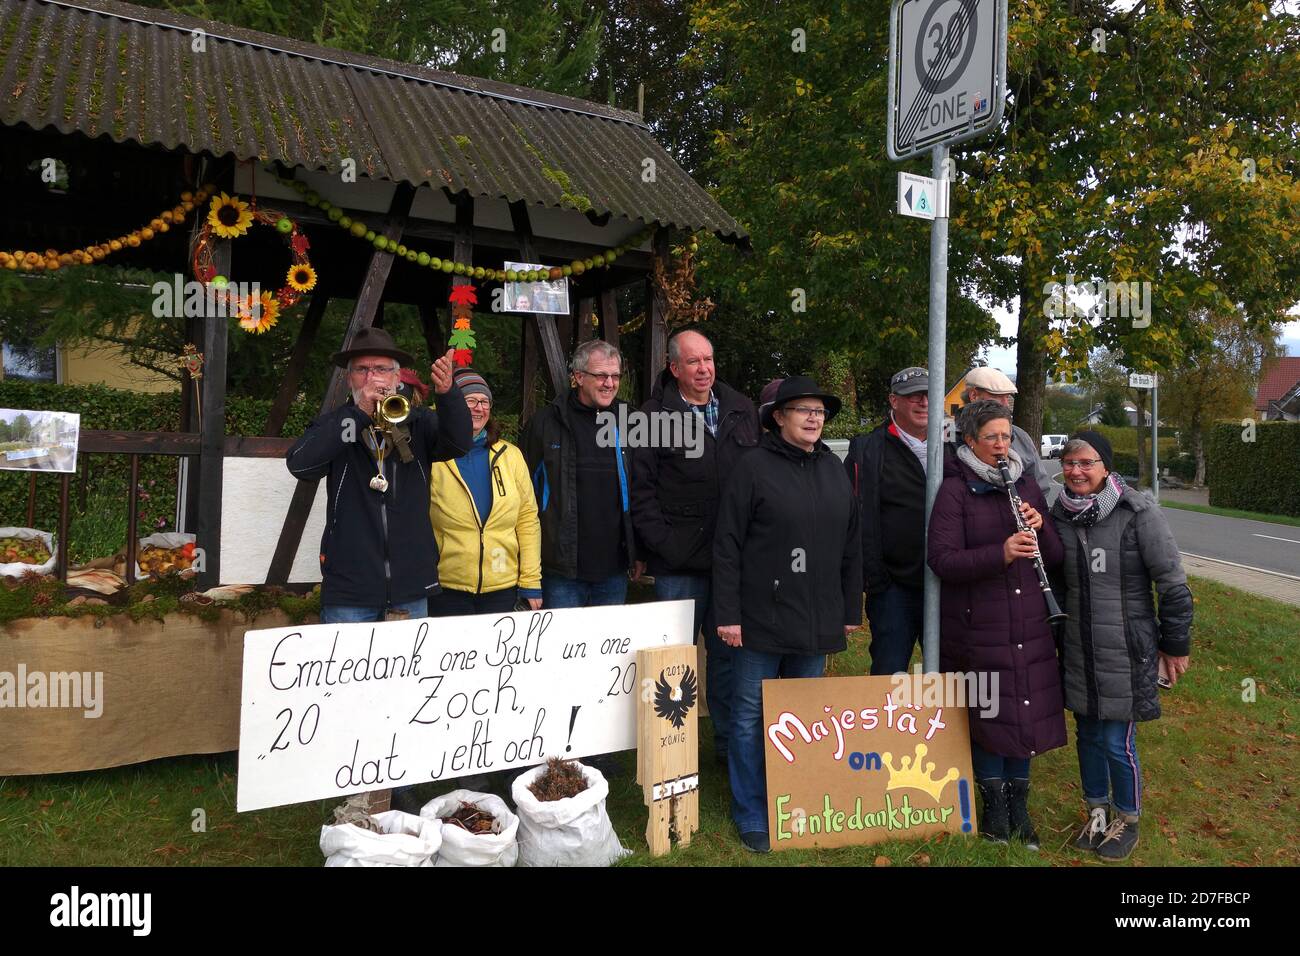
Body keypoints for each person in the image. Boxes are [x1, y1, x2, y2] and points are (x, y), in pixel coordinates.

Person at [713, 375, 863, 853]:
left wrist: (849, 604)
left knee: (801, 717)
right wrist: (728, 614)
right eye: (803, 409)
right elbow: (728, 544)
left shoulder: (834, 469)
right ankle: (753, 810)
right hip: (760, 616)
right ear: (778, 417)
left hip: (817, 617)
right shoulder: (752, 467)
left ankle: (795, 801)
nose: (814, 417)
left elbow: (851, 543)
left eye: (819, 411)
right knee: (749, 716)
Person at [927, 399, 1065, 849]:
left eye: (1007, 436)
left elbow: (1057, 557)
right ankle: (994, 809)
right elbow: (942, 560)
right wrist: (1000, 554)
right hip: (979, 623)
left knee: (1023, 708)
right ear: (970, 441)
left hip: (1028, 619)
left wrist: (1042, 527)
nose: (1002, 445)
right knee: (990, 711)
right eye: (993, 437)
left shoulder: (1025, 482)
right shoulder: (954, 490)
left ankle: (1020, 807)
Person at [1050, 431, 1192, 861]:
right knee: (1088, 736)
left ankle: (1126, 819)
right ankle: (1096, 812)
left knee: (1116, 741)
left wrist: (1175, 645)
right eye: (1069, 463)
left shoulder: (1138, 513)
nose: (1076, 471)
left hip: (1127, 648)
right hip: (1078, 646)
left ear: (1105, 466)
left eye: (1086, 463)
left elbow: (1172, 583)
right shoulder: (1059, 514)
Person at [630, 330, 760, 768]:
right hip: (679, 564)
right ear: (674, 368)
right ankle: (672, 753)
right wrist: (665, 545)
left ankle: (727, 750)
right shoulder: (651, 416)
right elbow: (640, 493)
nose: (704, 369)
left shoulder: (743, 410)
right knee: (674, 664)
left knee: (727, 658)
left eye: (708, 359)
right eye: (693, 362)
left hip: (734, 561)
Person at [286, 327, 472, 623]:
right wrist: (359, 412)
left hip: (411, 587)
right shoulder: (338, 424)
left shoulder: (420, 423)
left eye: (382, 369)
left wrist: (448, 393)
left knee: (409, 670)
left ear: (397, 379)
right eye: (362, 370)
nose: (372, 378)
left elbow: (460, 443)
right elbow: (301, 465)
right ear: (349, 379)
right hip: (350, 591)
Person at [521, 340, 638, 608]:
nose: (610, 383)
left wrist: (636, 552)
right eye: (601, 376)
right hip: (561, 572)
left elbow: (641, 490)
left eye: (615, 375)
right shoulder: (545, 423)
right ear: (578, 377)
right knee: (559, 649)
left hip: (614, 572)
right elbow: (524, 497)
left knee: (609, 650)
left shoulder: (630, 421)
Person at [427, 367, 543, 616]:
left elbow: (527, 521)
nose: (478, 408)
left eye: (484, 401)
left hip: (503, 589)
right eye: (469, 400)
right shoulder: (432, 457)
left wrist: (531, 582)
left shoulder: (510, 455)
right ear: (454, 404)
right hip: (446, 588)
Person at [845, 366, 933, 674]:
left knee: (950, 674)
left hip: (947, 582)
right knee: (889, 672)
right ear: (894, 401)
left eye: (928, 395)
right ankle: (888, 725)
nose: (923, 402)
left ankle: (939, 725)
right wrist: (872, 577)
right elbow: (853, 518)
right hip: (893, 589)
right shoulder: (867, 449)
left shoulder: (956, 445)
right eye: (914, 396)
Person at [961, 367, 1053, 502]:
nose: (1006, 404)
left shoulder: (1020, 436)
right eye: (998, 396)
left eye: (1007, 397)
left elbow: (1040, 487)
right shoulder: (947, 435)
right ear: (974, 396)